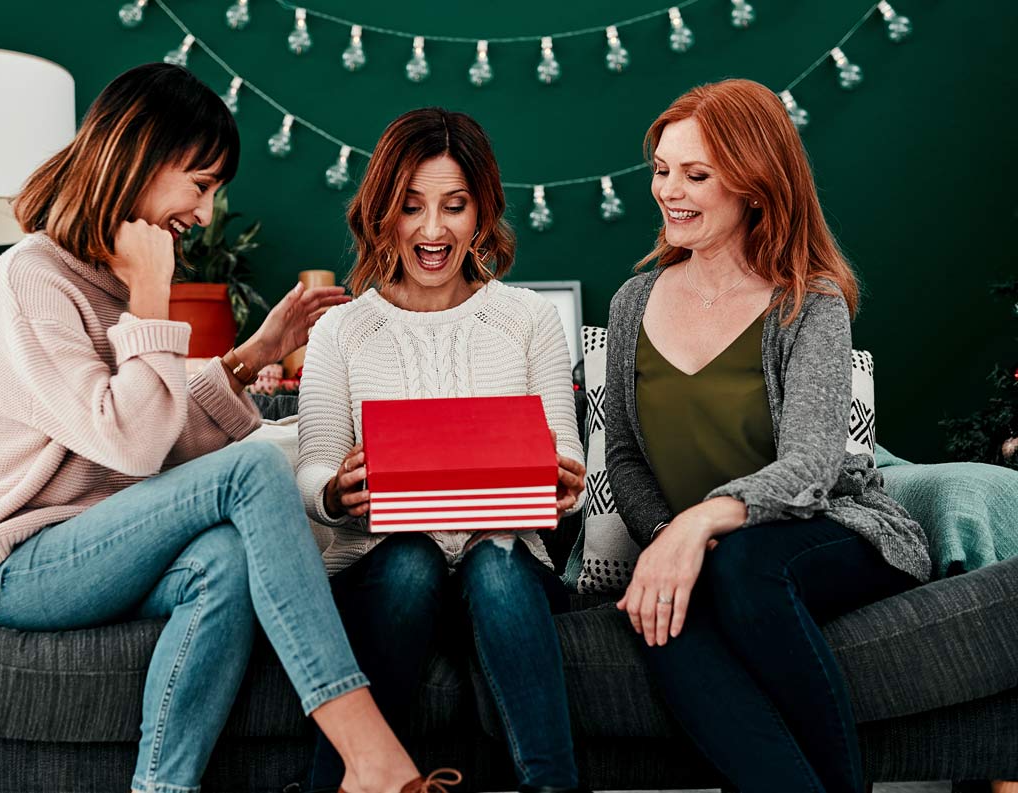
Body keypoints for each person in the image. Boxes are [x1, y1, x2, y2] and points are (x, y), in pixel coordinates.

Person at [0, 63, 458, 793]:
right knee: (257, 469)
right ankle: (370, 757)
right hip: (4, 564)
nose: (204, 214)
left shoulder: (104, 279)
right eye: (199, 185)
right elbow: (132, 442)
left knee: (226, 556)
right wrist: (150, 294)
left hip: (83, 539)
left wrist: (249, 358)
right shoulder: (31, 282)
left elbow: (157, 439)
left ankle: (163, 789)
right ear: (137, 157)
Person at [603, 78, 932, 793]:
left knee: (740, 567)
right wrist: (667, 538)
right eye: (662, 170)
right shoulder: (634, 301)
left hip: (826, 529)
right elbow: (624, 455)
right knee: (661, 612)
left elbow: (813, 464)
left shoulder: (807, 300)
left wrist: (697, 528)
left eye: (696, 174)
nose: (670, 191)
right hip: (712, 545)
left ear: (753, 182)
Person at [296, 108, 589, 793]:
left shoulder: (527, 318)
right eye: (411, 207)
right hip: (381, 566)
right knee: (410, 560)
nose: (433, 231)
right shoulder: (342, 329)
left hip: (505, 562)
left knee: (495, 558)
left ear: (482, 211)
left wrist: (560, 481)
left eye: (454, 206)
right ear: (381, 214)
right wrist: (336, 490)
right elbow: (312, 467)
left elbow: (566, 455)